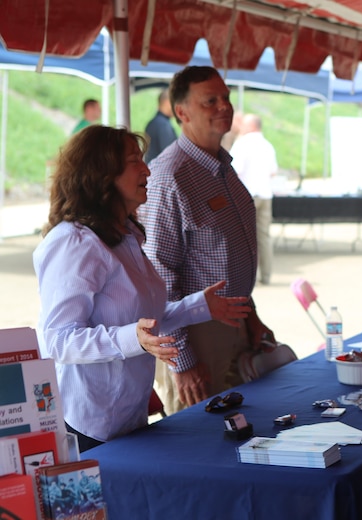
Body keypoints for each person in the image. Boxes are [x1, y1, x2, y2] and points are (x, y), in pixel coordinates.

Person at [33, 126, 251, 452]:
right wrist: (131, 339)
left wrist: (199, 306)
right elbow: (57, 340)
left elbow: (142, 321)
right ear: (102, 174)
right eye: (134, 161)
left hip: (128, 419)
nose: (146, 169)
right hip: (88, 426)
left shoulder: (126, 235)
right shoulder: (74, 242)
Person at [139, 66, 277, 414]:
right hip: (196, 334)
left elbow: (229, 259)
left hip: (235, 324)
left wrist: (251, 316)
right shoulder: (169, 176)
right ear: (182, 112)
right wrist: (182, 361)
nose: (224, 107)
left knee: (243, 435)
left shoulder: (222, 167)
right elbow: (159, 278)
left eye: (226, 98)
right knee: (201, 447)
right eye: (210, 101)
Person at [230, 113, 278, 285]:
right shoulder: (268, 146)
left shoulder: (242, 144)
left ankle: (247, 277)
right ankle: (266, 276)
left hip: (246, 195)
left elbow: (234, 170)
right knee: (264, 237)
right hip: (265, 194)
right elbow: (273, 171)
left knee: (243, 237)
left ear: (251, 126)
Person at [143, 87, 178, 163]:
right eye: (175, 102)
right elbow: (172, 154)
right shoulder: (163, 125)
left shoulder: (153, 123)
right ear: (167, 103)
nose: (177, 107)